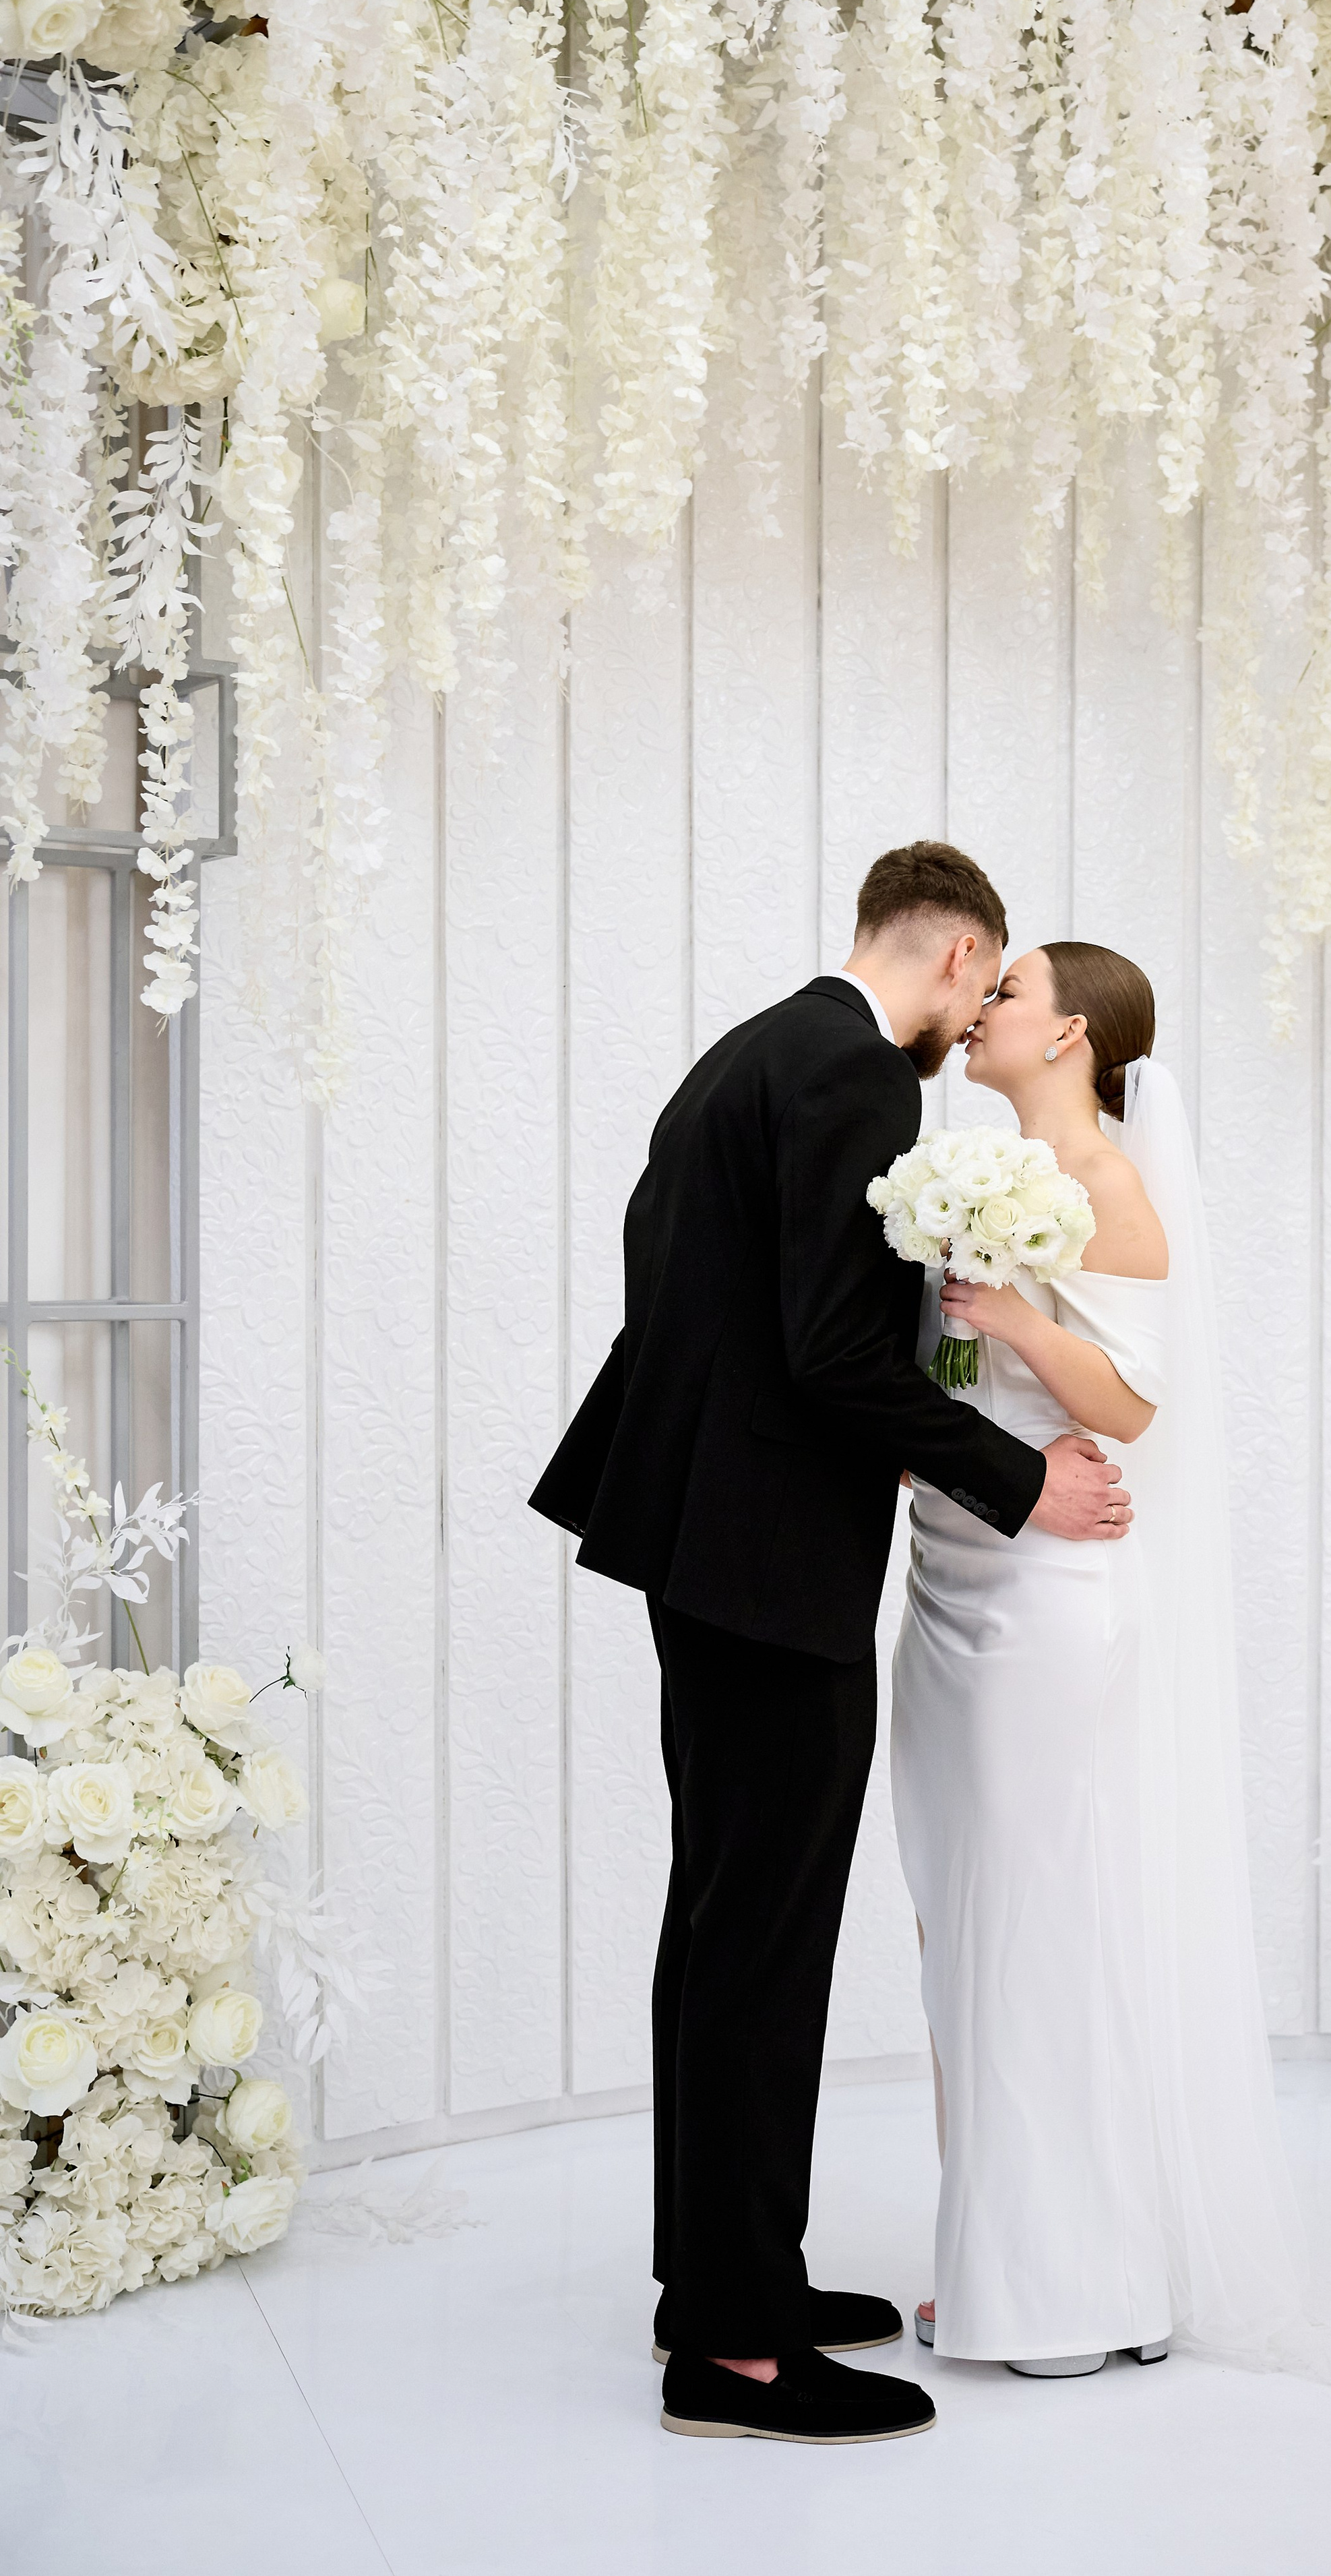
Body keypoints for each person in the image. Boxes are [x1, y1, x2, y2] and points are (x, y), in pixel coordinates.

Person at [529, 846, 1135, 2445]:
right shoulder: (859, 1078)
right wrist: (1020, 1482)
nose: (975, 1019)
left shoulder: (749, 1049)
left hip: (709, 1547)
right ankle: (732, 2352)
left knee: (730, 1922)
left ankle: (730, 2284)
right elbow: (826, 1350)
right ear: (948, 956)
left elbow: (687, 1288)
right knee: (759, 1937)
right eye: (981, 984)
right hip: (760, 1567)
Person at [894, 942, 1315, 2379]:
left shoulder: (1109, 1184)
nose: (981, 1009)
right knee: (958, 1923)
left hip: (1046, 1598)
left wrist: (1008, 1310)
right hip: (948, 1579)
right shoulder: (971, 1164)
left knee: (1035, 1921)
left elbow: (1130, 1403)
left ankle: (1073, 2283)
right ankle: (996, 2246)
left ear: (1068, 1033)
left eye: (1005, 992)